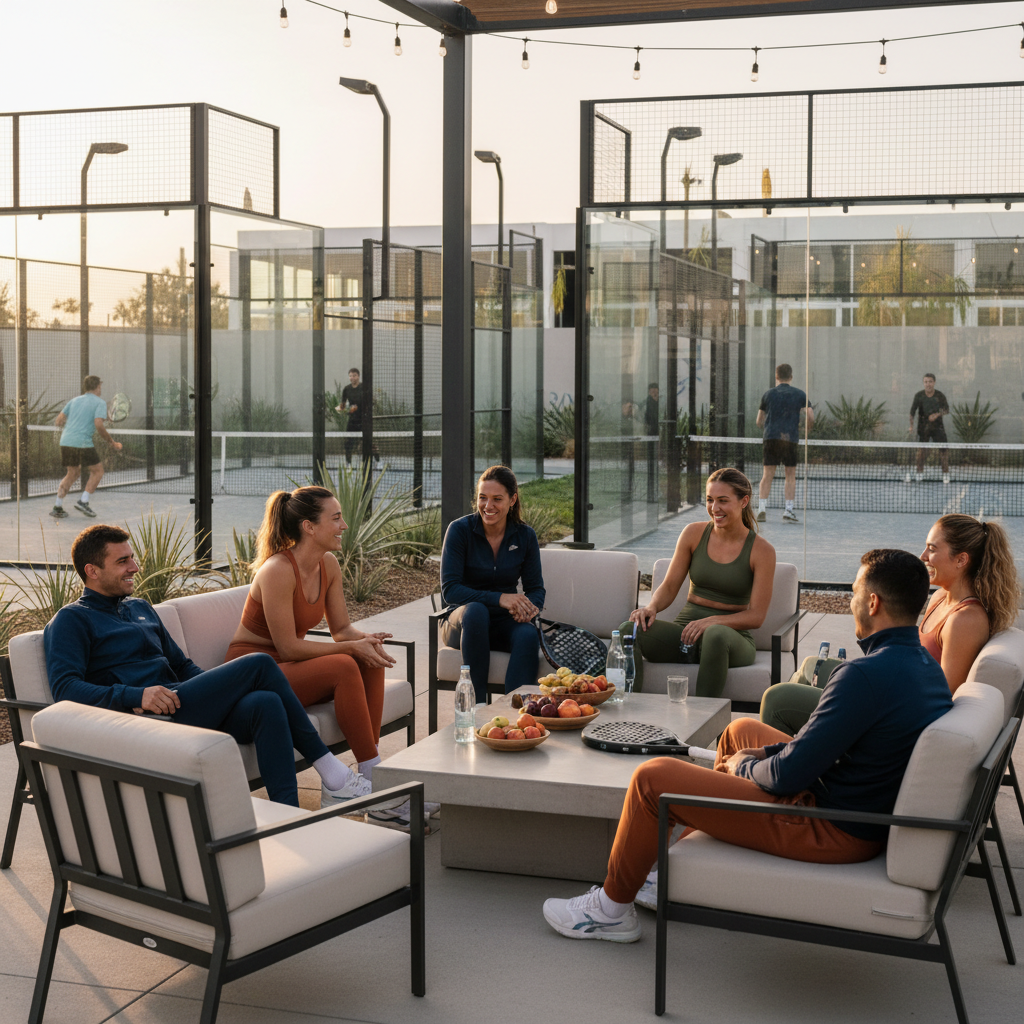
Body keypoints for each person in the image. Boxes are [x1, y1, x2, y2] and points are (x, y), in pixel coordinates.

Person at [542, 549, 951, 942]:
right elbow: (826, 744)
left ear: (873, 603)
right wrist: (762, 754)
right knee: (741, 732)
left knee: (653, 778)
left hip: (829, 827)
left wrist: (744, 767)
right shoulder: (926, 668)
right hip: (852, 805)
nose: (851, 602)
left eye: (855, 592)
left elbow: (789, 776)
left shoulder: (863, 675)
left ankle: (610, 911)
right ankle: (666, 872)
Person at [43, 524, 367, 809]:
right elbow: (65, 688)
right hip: (149, 721)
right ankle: (333, 775)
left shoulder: (139, 608)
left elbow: (182, 666)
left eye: (132, 558)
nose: (135, 567)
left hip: (182, 703)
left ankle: (288, 814)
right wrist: (135, 695)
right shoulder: (73, 619)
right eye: (122, 561)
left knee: (265, 703)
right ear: (92, 570)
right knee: (258, 663)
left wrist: (221, 693)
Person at [225, 486, 422, 820]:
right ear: (309, 527)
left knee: (368, 659)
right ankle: (372, 790)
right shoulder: (277, 570)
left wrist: (365, 640)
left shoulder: (328, 564)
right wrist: (350, 648)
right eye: (336, 518)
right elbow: (287, 646)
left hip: (290, 667)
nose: (344, 525)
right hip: (257, 675)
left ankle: (369, 775)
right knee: (345, 664)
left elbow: (341, 629)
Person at [760, 514, 1019, 735]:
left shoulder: (966, 620)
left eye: (932, 549)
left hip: (894, 709)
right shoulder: (940, 597)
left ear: (961, 560)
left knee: (778, 699)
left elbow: (943, 697)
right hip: (895, 687)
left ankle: (792, 765)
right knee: (809, 666)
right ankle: (804, 750)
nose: (923, 556)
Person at [620, 467, 775, 698]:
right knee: (628, 630)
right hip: (686, 634)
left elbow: (757, 616)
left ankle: (702, 717)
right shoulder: (693, 533)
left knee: (715, 634)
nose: (715, 508)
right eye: (710, 500)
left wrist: (711, 622)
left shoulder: (762, 551)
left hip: (730, 639)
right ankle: (629, 708)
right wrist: (651, 607)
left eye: (723, 500)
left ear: (744, 501)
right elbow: (669, 586)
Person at [439, 465, 545, 704]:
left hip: (501, 622)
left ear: (512, 500)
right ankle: (475, 708)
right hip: (462, 621)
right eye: (482, 498)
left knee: (528, 633)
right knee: (476, 611)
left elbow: (536, 589)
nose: (488, 506)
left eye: (497, 499)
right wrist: (500, 598)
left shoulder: (525, 536)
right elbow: (450, 590)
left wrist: (529, 609)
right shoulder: (459, 530)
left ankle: (516, 711)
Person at [49, 375, 123, 520]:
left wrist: (77, 423)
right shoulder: (100, 402)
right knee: (98, 471)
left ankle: (57, 506)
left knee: (72, 473)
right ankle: (84, 501)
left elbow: (58, 421)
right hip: (82, 442)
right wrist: (112, 442)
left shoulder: (74, 400)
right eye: (100, 386)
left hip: (66, 441)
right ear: (98, 387)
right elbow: (98, 424)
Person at [756, 363, 813, 524]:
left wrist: (768, 429)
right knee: (790, 476)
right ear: (791, 377)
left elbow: (759, 421)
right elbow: (810, 416)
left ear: (776, 376)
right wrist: (806, 429)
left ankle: (761, 509)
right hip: (790, 439)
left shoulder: (768, 395)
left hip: (771, 439)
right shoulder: (800, 394)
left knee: (767, 475)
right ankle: (788, 510)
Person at [907, 372, 950, 484]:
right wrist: (911, 426)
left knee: (943, 450)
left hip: (938, 427)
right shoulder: (919, 396)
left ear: (934, 382)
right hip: (923, 427)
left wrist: (936, 415)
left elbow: (946, 410)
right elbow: (912, 412)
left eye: (930, 382)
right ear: (923, 383)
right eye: (926, 382)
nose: (928, 384)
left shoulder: (940, 395)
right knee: (922, 451)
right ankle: (919, 473)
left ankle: (946, 474)